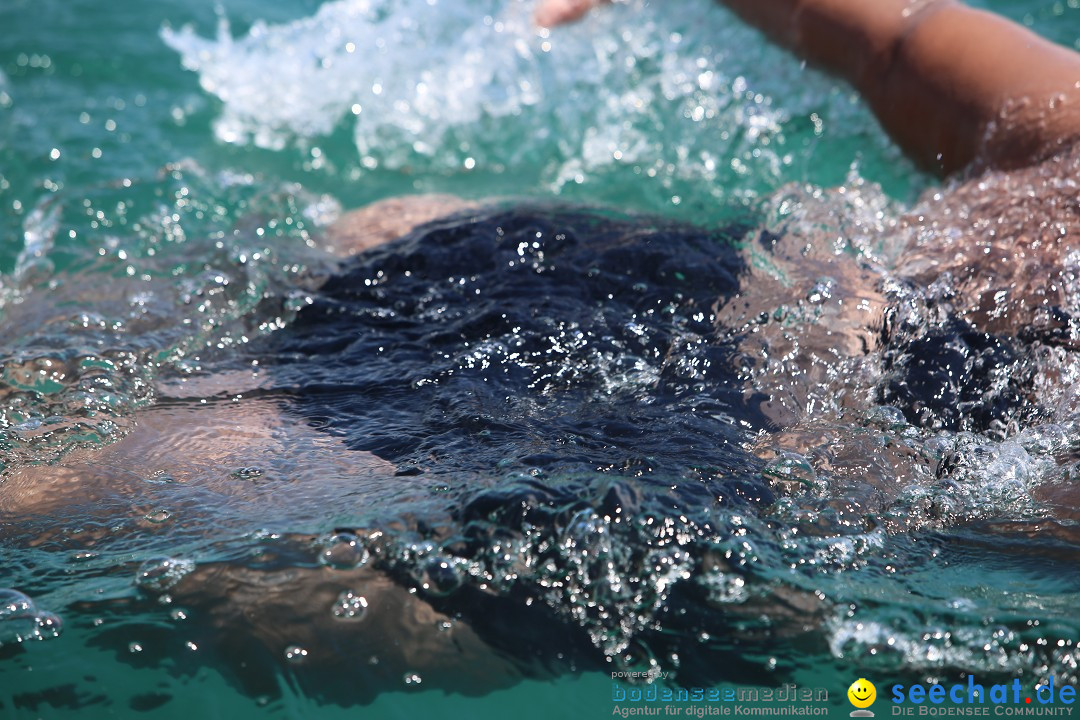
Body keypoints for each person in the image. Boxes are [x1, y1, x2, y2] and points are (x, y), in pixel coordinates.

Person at [4, 0, 1079, 704]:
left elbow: (894, 36)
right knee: (126, 495)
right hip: (657, 458)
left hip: (560, 260)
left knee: (111, 323)